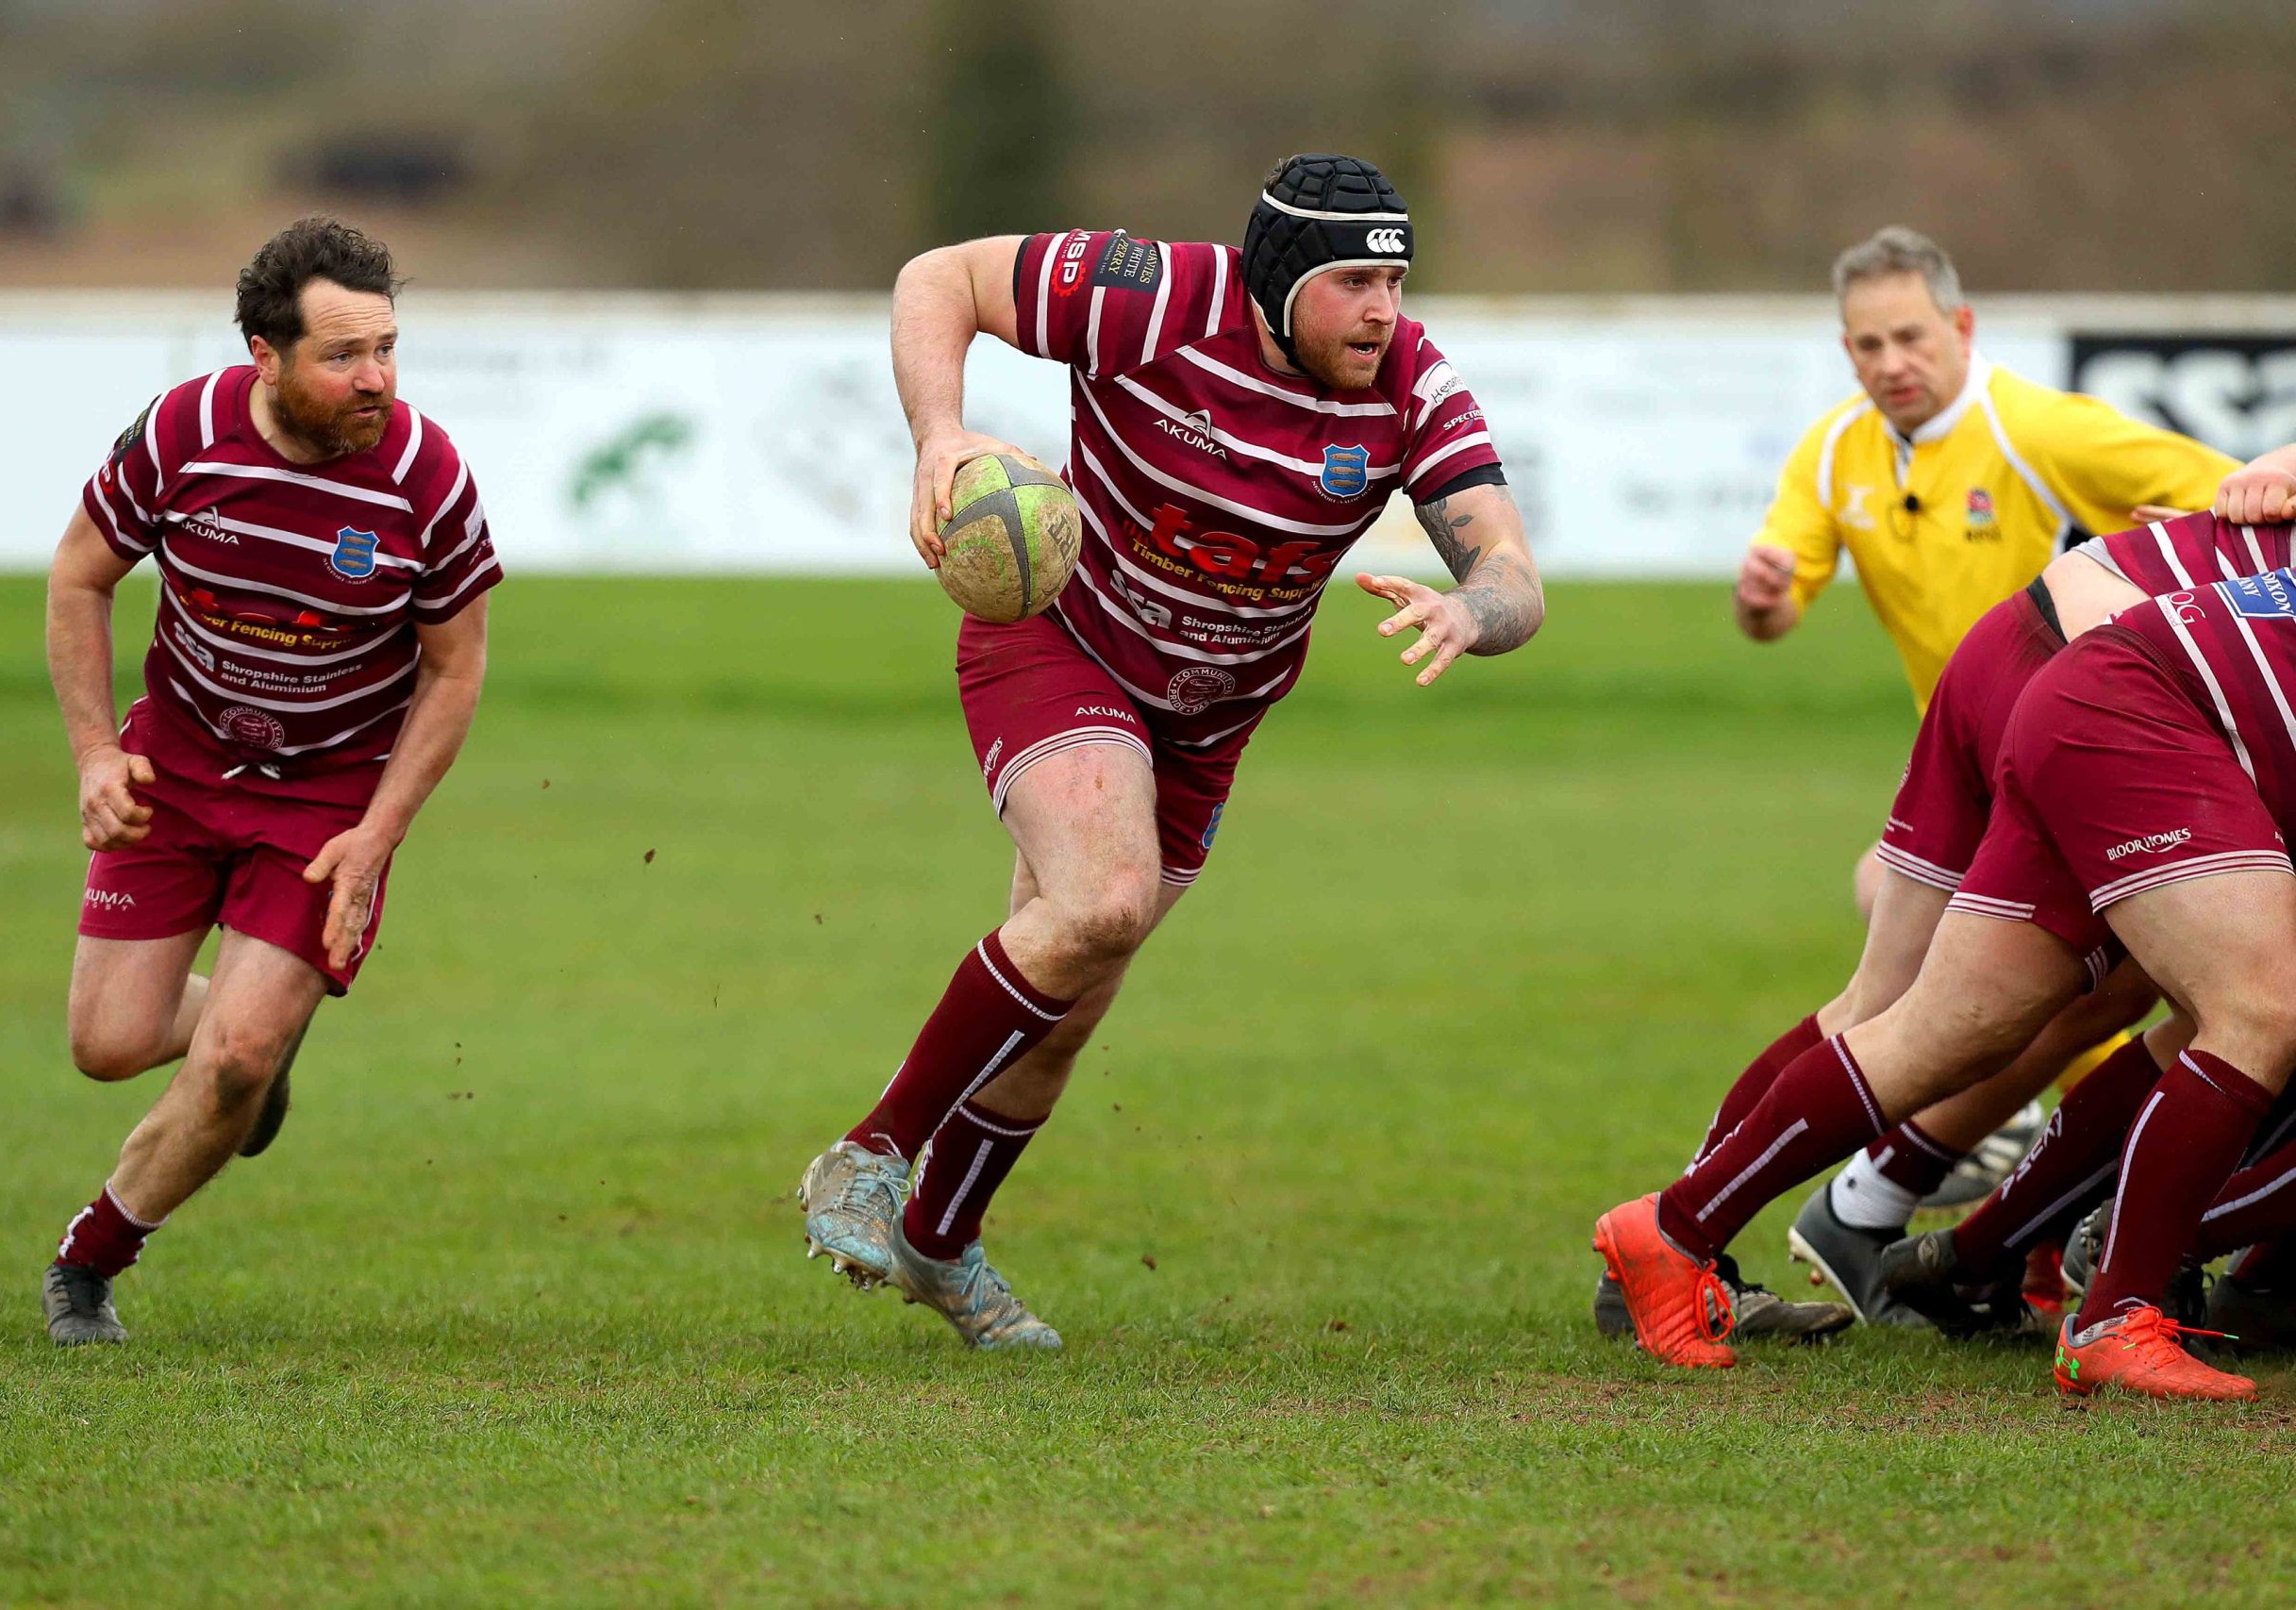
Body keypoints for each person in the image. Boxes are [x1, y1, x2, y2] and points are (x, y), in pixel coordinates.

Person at [793, 154, 1545, 1349]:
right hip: (1063, 645)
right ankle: (873, 1155)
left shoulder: (1410, 382)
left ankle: (939, 1241)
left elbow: (1511, 570)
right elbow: (940, 277)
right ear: (1279, 279)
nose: (1383, 311)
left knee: (1067, 999)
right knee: (1106, 902)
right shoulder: (1148, 296)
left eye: (1396, 281)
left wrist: (1473, 608)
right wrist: (938, 436)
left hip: (1209, 721)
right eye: (1355, 283)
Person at [1600, 532, 2296, 1400]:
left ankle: (1675, 1230)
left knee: (1942, 1024)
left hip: (2087, 686)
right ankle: (2102, 1300)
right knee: (2257, 1010)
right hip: (2135, 705)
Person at [1704, 227, 2238, 1315]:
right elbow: (1778, 601)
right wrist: (1762, 601)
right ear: (1845, 353)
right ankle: (1809, 1212)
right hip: (1976, 770)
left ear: (1960, 328)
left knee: (2092, 995)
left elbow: (2239, 501)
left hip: (2068, 765)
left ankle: (1967, 1232)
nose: (1890, 362)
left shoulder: (2040, 429)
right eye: (1866, 345)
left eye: (1909, 336)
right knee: (2060, 999)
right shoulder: (1833, 453)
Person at [40, 217, 499, 1345]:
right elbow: (80, 576)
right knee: (107, 1044)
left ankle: (90, 1262)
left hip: (327, 800)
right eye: (344, 356)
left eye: (386, 348)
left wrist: (379, 835)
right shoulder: (182, 434)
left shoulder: (426, 476)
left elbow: (454, 670)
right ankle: (255, 1029)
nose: (376, 379)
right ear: (265, 355)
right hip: (176, 766)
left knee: (235, 1061)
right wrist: (96, 752)